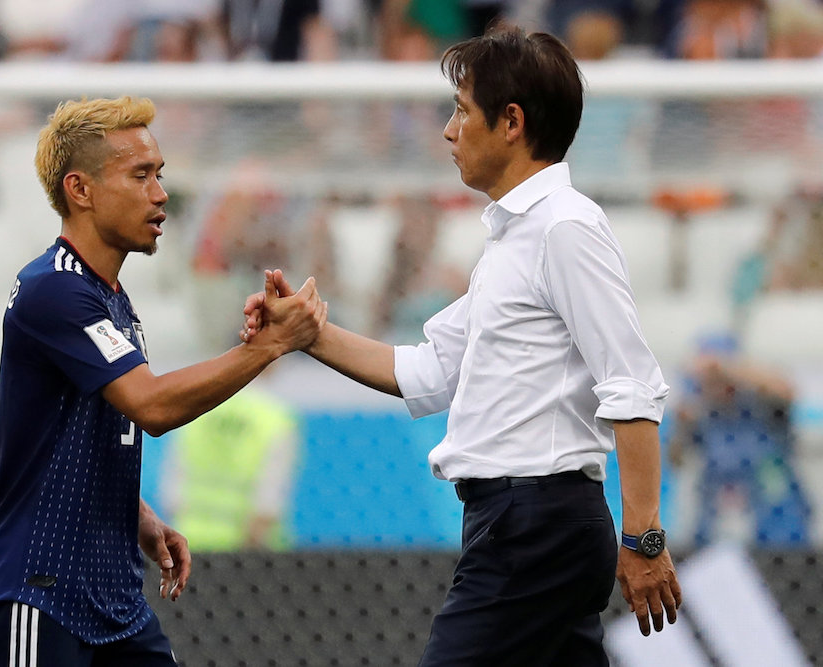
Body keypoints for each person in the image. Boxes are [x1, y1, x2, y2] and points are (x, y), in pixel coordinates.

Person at [245, 26, 682, 665]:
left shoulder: (565, 228)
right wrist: (306, 334)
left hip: (536, 525)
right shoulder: (517, 239)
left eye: (460, 111)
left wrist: (644, 535)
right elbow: (428, 371)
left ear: (510, 121)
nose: (449, 131)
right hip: (523, 524)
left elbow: (633, 383)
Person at [0, 96, 327, 666]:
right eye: (140, 176)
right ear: (80, 190)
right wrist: (271, 347)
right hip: (39, 595)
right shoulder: (53, 289)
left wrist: (136, 515)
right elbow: (152, 407)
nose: (160, 194)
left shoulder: (109, 299)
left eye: (159, 175)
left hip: (113, 598)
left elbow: (74, 433)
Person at [669, 333, 812, 546]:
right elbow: (676, 459)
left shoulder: (761, 400)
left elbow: (786, 392)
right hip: (715, 533)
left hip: (778, 533)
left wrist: (724, 366)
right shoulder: (702, 411)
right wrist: (683, 420)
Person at [160, 382, 300, 551]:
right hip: (245, 548)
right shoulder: (274, 417)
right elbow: (268, 502)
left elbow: (172, 489)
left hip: (189, 540)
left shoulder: (193, 407)